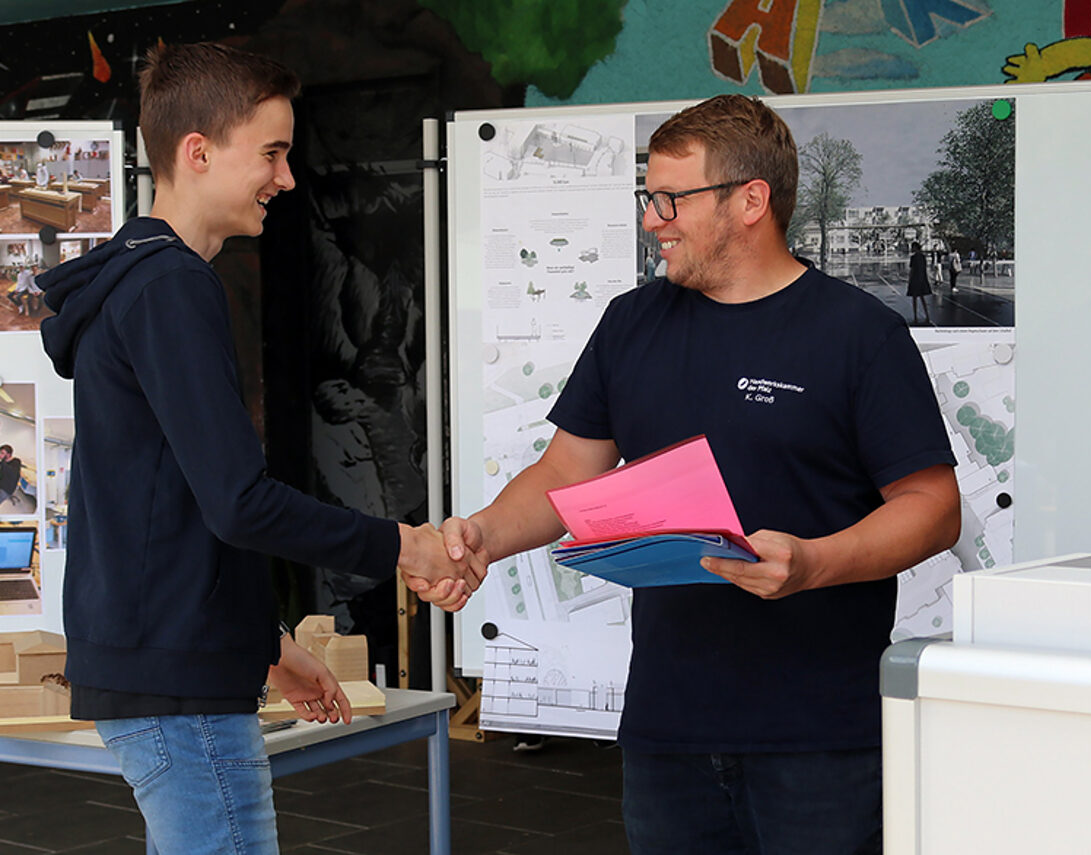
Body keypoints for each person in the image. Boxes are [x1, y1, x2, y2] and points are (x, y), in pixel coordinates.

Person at [443, 94, 960, 854]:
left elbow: (933, 505)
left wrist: (815, 563)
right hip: (667, 730)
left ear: (751, 201)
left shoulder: (859, 334)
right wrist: (484, 534)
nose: (654, 218)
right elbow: (565, 470)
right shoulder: (630, 322)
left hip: (818, 738)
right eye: (648, 197)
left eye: (672, 198)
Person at [36, 42, 483, 855]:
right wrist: (402, 542)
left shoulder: (143, 282)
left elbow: (171, 501)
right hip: (179, 688)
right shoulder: (170, 287)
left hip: (173, 669)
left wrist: (267, 644)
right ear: (197, 152)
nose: (286, 178)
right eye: (271, 153)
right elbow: (238, 500)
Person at [906, 240, 932, 324]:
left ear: (915, 247)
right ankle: (927, 315)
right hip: (922, 278)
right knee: (922, 298)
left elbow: (912, 270)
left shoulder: (913, 258)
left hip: (915, 279)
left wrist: (909, 280)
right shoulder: (923, 257)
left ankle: (915, 316)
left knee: (914, 298)